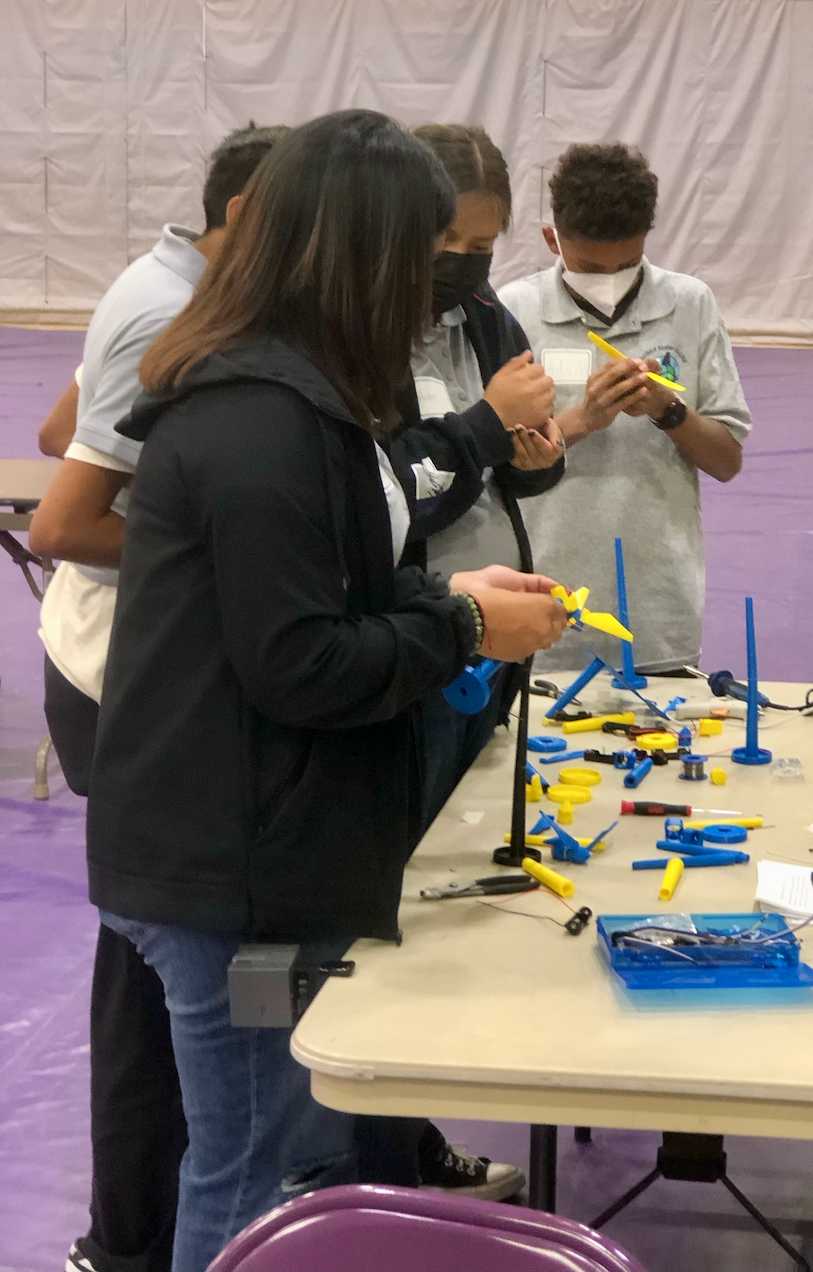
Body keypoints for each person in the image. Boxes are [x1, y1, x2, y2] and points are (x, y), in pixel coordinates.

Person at [84, 109, 567, 1272]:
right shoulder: (260, 418)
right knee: (254, 1171)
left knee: (296, 1163)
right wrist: (460, 621)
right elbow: (300, 660)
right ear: (357, 254)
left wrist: (447, 597)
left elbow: (336, 596)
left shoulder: (304, 396)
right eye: (421, 252)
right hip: (232, 867)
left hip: (270, 843)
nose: (436, 282)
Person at [29, 123, 289, 1272]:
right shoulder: (165, 305)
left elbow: (60, 428)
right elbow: (61, 518)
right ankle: (127, 1240)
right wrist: (225, 542)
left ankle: (147, 1224)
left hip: (150, 669)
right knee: (153, 973)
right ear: (242, 217)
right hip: (119, 679)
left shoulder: (191, 287)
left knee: (167, 963)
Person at [499, 142, 751, 674]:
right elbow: (493, 464)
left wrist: (670, 411)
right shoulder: (514, 311)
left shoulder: (690, 303)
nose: (610, 280)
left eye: (628, 263)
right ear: (552, 240)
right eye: (590, 266)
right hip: (541, 600)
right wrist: (583, 420)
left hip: (657, 610)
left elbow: (727, 461)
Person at [393, 122, 564, 830]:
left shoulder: (490, 317)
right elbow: (389, 499)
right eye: (446, 244)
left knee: (479, 825)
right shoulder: (358, 337)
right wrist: (488, 427)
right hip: (416, 641)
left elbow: (504, 468)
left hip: (491, 647)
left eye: (483, 248)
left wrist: (536, 460)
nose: (463, 263)